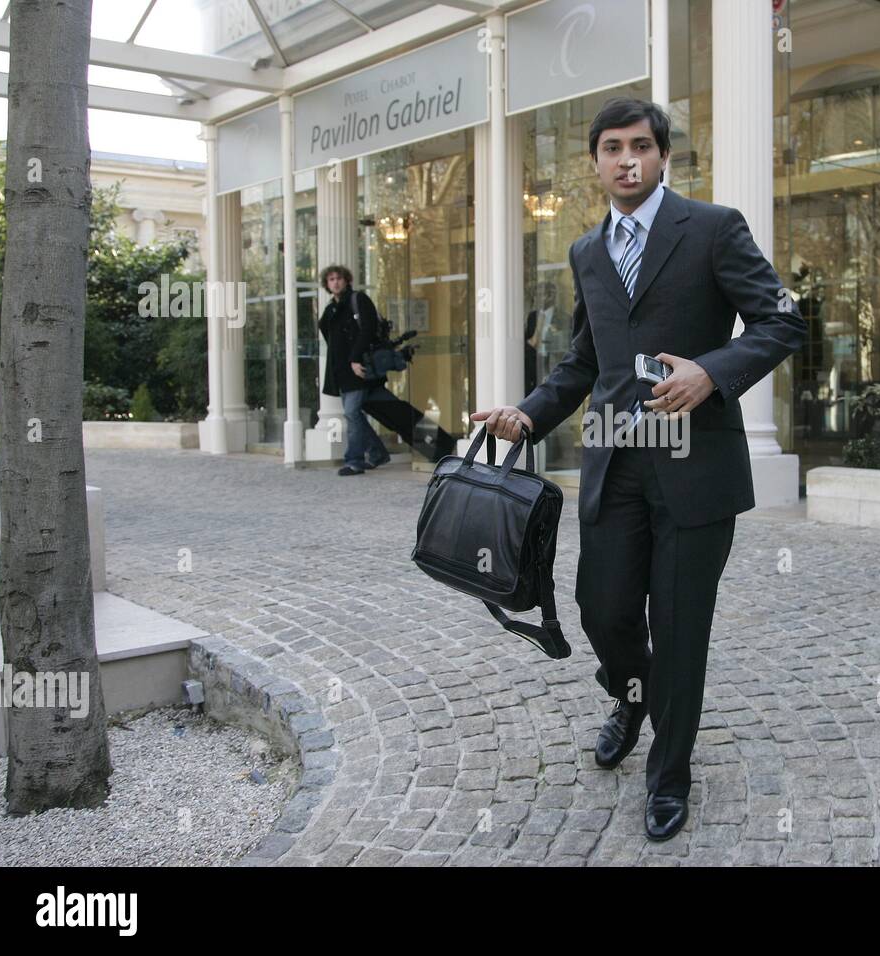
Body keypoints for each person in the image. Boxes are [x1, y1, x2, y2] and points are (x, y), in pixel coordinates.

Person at [472, 97, 806, 840]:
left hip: (696, 469)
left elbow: (783, 320)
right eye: (613, 148)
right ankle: (628, 691)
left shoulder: (714, 230)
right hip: (614, 463)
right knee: (604, 608)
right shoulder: (587, 253)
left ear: (662, 158)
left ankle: (670, 775)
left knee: (681, 627)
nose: (627, 159)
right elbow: (584, 359)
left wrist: (713, 374)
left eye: (642, 147)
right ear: (595, 162)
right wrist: (527, 413)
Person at [317, 265, 392, 476]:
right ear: (327, 284)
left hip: (359, 368)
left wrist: (354, 358)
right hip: (341, 371)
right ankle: (376, 453)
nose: (335, 282)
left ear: (347, 280)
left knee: (351, 413)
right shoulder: (332, 308)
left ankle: (355, 460)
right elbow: (326, 331)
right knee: (353, 414)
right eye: (331, 279)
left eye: (339, 278)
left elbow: (368, 331)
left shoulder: (358, 300)